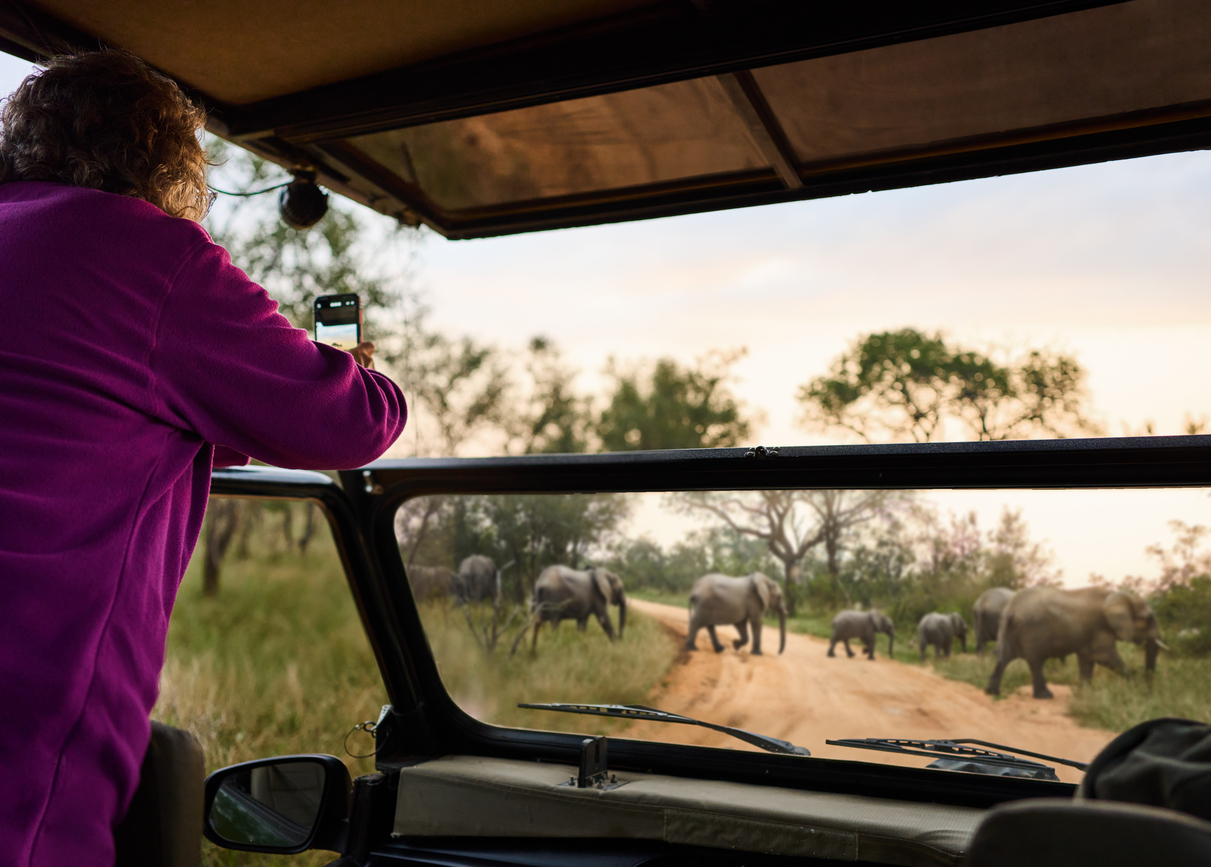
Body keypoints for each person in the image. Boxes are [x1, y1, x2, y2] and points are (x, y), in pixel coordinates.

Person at [0, 51, 407, 866]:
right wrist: (359, 369)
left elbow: (81, 411)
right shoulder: (154, 258)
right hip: (25, 732)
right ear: (169, 163)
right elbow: (356, 424)